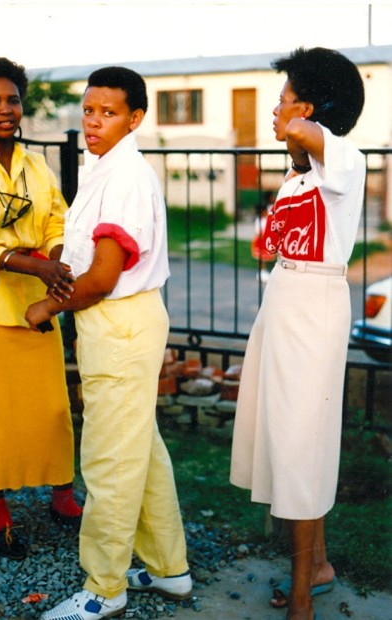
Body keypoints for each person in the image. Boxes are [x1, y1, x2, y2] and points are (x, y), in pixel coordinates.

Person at [25, 66, 192, 620]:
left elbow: (100, 277)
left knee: (109, 460)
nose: (93, 122)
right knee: (140, 449)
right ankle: (169, 570)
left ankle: (104, 589)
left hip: (118, 319)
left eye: (108, 112)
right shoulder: (107, 167)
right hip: (118, 322)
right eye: (89, 111)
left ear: (135, 118)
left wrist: (47, 304)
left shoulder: (124, 176)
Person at [230, 47, 365, 620]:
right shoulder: (296, 176)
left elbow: (309, 132)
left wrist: (299, 121)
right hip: (283, 305)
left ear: (308, 107)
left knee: (301, 448)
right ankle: (318, 564)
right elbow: (272, 245)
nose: (274, 109)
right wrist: (293, 139)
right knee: (287, 444)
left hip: (314, 310)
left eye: (282, 98)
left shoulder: (347, 161)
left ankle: (304, 596)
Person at [0, 56, 82, 561]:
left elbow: (57, 220)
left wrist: (54, 260)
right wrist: (36, 269)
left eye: (12, 100)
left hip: (36, 307)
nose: (5, 110)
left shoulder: (35, 164)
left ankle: (62, 496)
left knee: (52, 407)